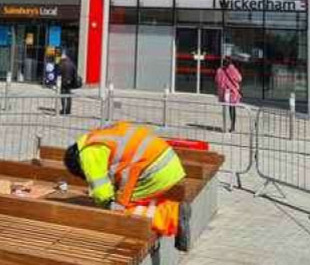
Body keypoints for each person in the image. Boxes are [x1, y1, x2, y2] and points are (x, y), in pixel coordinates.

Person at [63, 122, 191, 250]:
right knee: (131, 200)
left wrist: (105, 208)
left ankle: (172, 215)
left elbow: (102, 193)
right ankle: (169, 209)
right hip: (167, 164)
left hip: (153, 171)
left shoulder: (89, 154)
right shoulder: (96, 137)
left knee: (119, 209)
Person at [215, 57, 242, 132]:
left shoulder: (219, 70)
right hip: (231, 92)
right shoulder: (233, 70)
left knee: (224, 109)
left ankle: (224, 126)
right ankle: (232, 127)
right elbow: (239, 78)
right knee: (232, 108)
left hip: (223, 92)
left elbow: (217, 80)